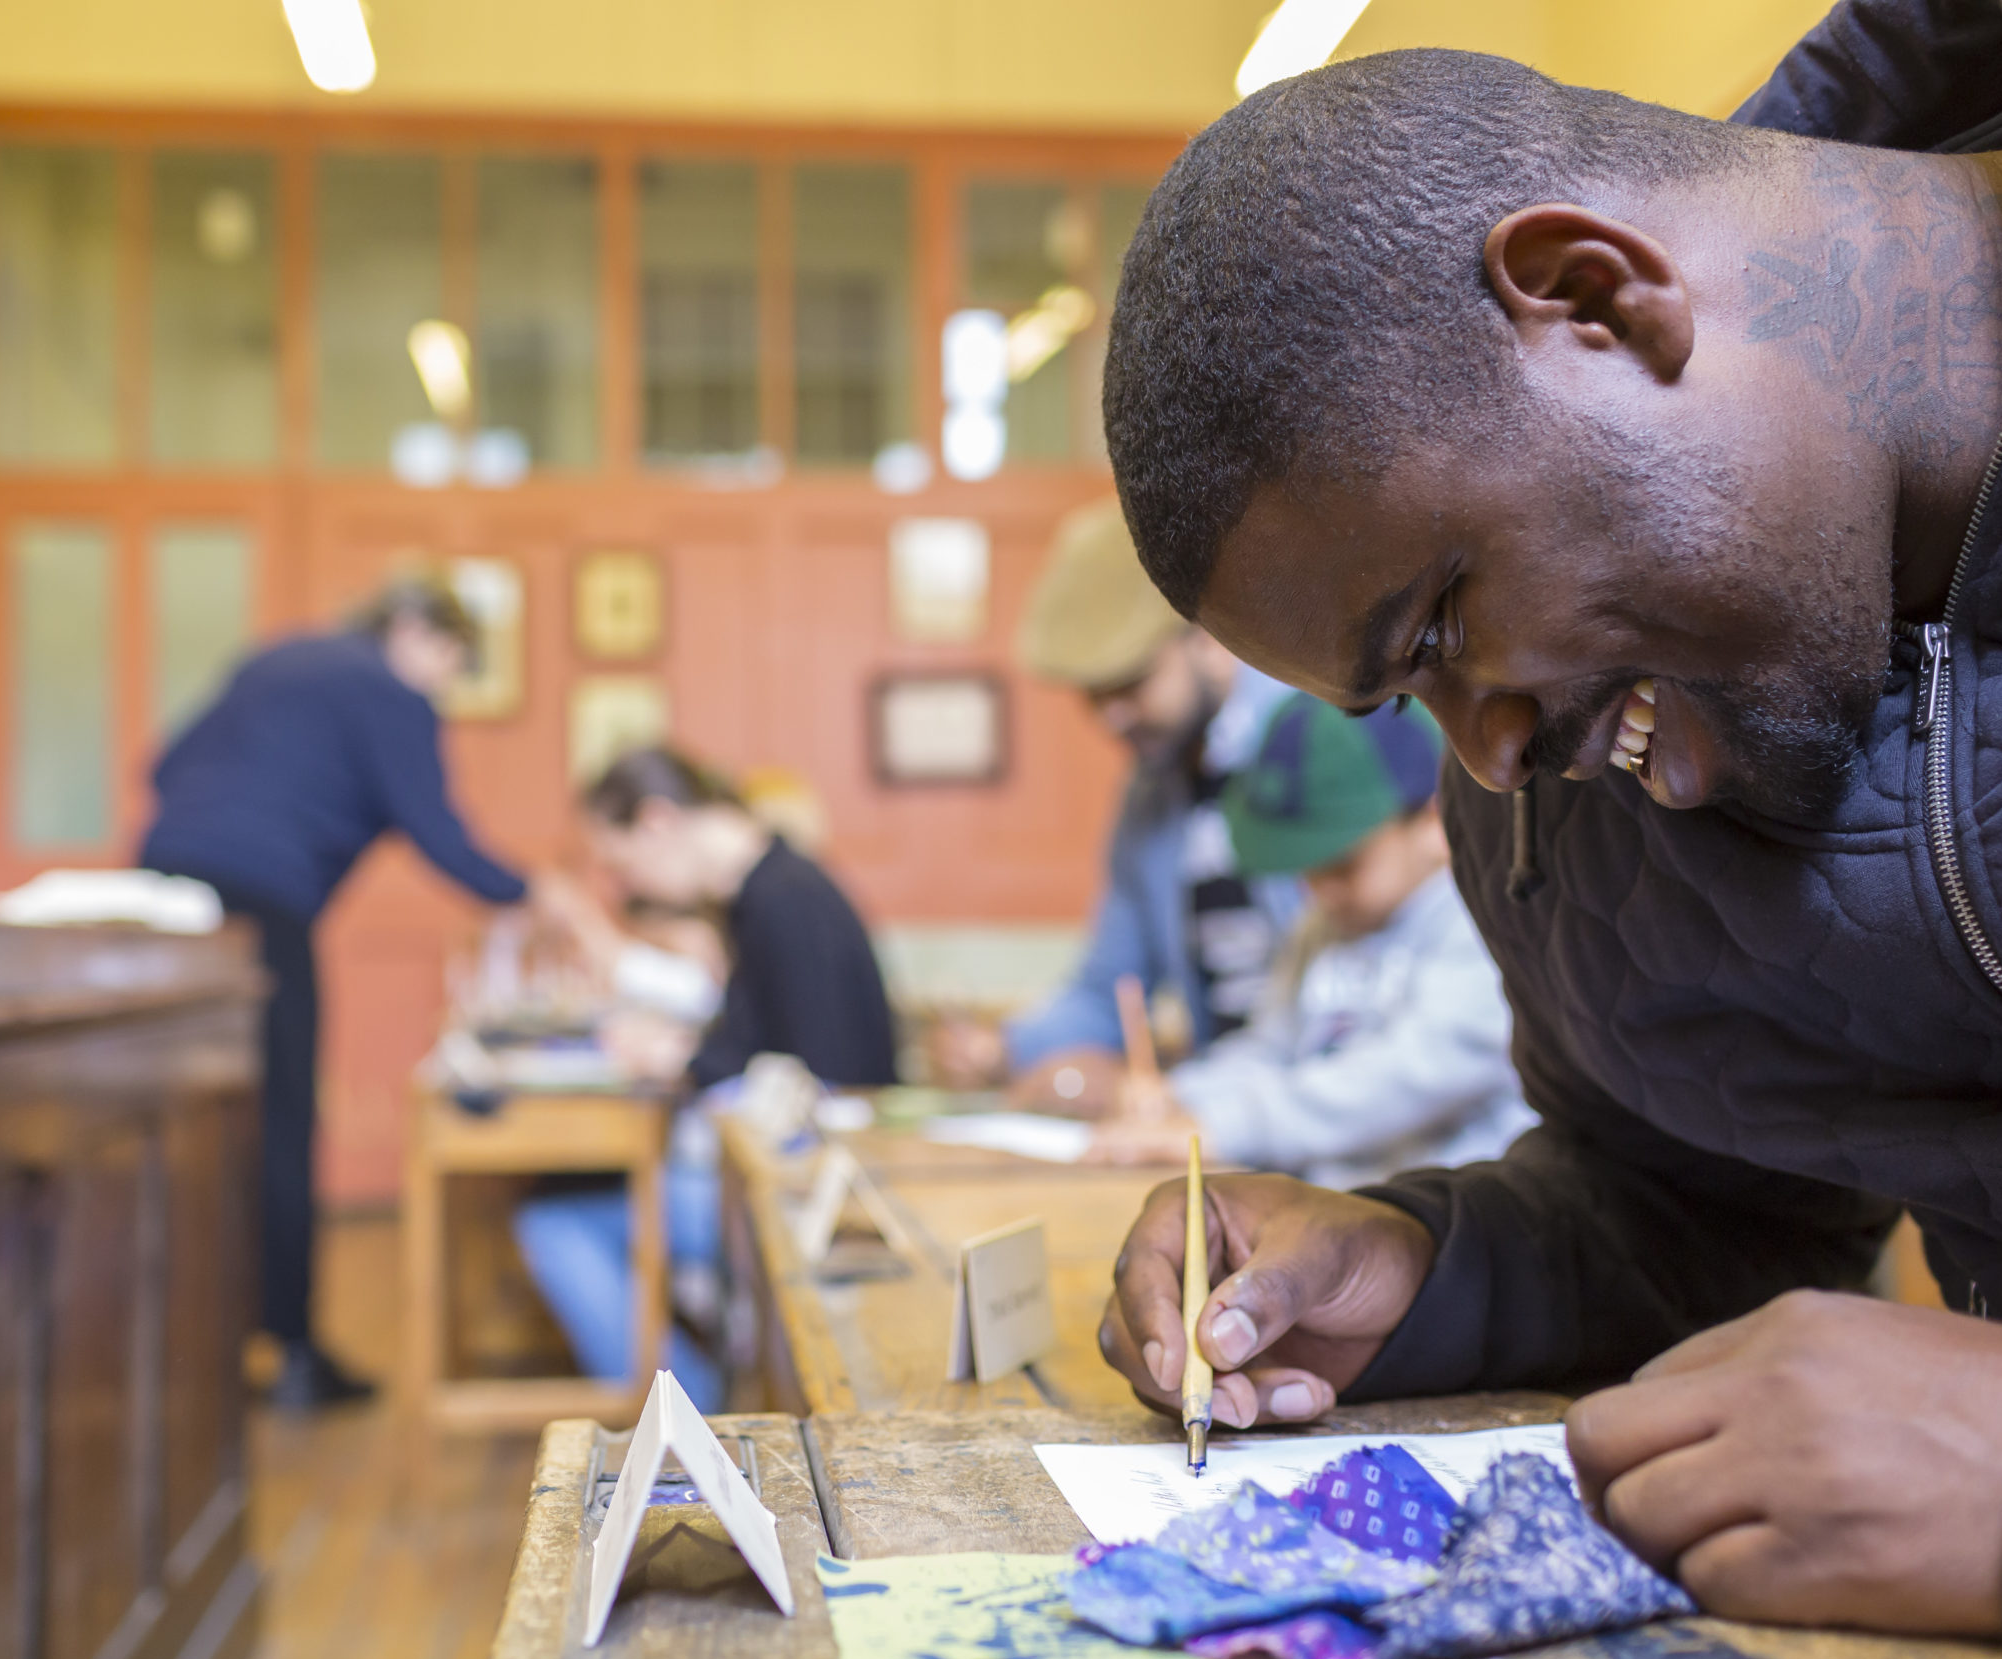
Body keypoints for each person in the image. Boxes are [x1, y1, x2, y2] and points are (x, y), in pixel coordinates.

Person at [1091, 3, 2002, 1659]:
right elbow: (1714, 1206)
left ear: (1598, 296)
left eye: (1445, 620)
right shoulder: (1594, 795)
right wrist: (1437, 1267)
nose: (1493, 758)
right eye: (1408, 702)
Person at [141, 575, 526, 1411]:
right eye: (447, 663)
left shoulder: (273, 659)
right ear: (415, 628)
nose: (440, 686)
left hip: (160, 906)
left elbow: (162, 765)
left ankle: (178, 1347)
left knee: (179, 1127)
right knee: (280, 1125)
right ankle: (294, 1354)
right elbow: (440, 834)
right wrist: (533, 895)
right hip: (259, 911)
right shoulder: (389, 690)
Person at [515, 747, 897, 1408]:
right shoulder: (772, 888)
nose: (628, 883)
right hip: (801, 1174)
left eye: (623, 860)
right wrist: (694, 1054)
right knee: (566, 1199)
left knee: (555, 1224)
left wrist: (686, 1060)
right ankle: (697, 1397)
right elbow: (765, 1044)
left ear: (659, 822)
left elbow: (823, 1076)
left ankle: (692, 1410)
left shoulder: (781, 901)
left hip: (810, 1189)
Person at [928, 498, 1301, 1114]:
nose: (1111, 717)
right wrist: (1001, 1049)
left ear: (1206, 637)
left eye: (1130, 682)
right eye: (1093, 695)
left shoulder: (1317, 745)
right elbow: (1109, 989)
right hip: (1230, 1116)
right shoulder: (1148, 798)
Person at [1086, 695, 1531, 1187]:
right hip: (1338, 1216)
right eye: (1306, 868)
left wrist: (1223, 1127)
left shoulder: (1483, 926)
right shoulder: (1321, 929)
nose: (1320, 890)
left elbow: (1403, 1079)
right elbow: (1271, 1047)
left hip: (1456, 1228)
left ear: (1432, 820)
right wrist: (1179, 1096)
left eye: (1342, 865)